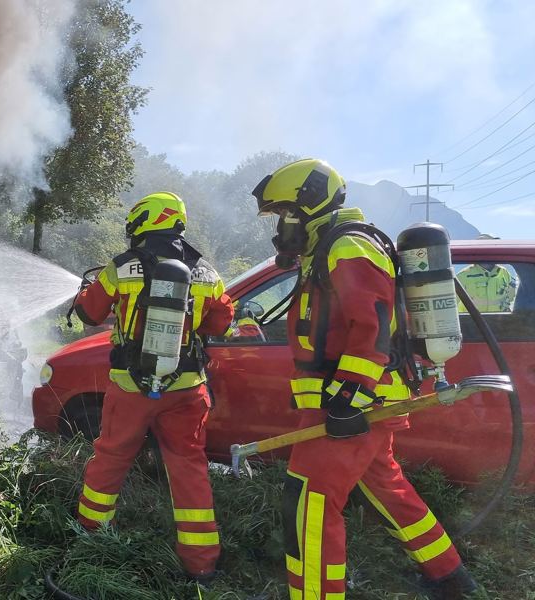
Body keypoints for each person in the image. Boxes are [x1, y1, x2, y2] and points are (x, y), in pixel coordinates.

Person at [251, 159, 477, 599]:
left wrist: (348, 399)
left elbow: (371, 326)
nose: (281, 225)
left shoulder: (347, 246)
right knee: (385, 485)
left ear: (309, 205)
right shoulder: (328, 246)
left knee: (309, 505)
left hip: (356, 403)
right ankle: (450, 576)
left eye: (284, 213)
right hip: (360, 402)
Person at [72, 191, 234, 583]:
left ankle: (89, 537)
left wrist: (85, 291)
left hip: (132, 387)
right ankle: (202, 563)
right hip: (187, 389)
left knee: (111, 457)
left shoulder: (122, 267)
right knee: (189, 467)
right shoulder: (207, 273)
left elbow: (90, 312)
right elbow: (221, 322)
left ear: (144, 221)